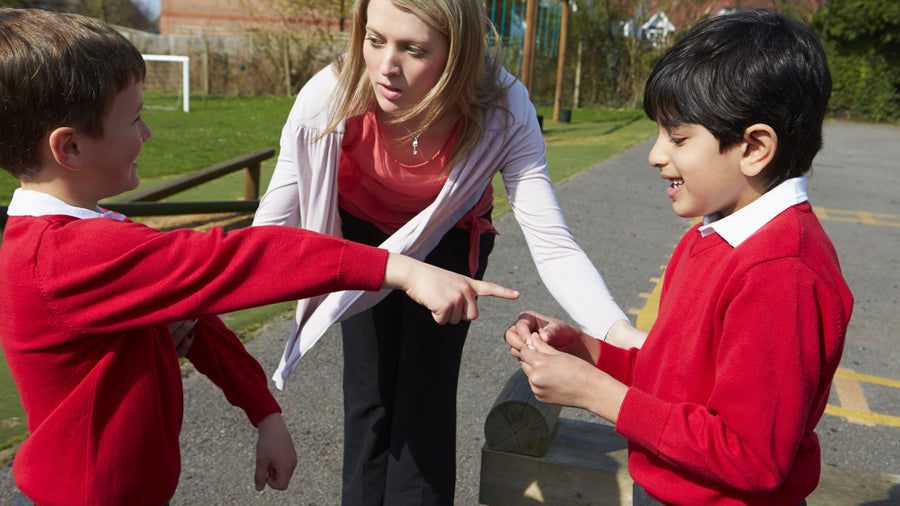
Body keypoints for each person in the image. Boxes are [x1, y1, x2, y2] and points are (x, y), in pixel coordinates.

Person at [0, 9, 518, 506]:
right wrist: (397, 268)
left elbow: (196, 321)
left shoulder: (92, 235)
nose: (147, 134)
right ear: (69, 149)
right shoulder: (64, 257)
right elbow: (235, 261)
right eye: (135, 120)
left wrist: (263, 412)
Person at [251, 0, 643, 503]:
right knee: (369, 399)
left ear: (458, 53)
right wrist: (196, 306)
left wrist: (619, 334)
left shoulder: (504, 107)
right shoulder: (329, 95)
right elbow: (268, 233)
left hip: (448, 239)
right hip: (364, 240)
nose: (386, 66)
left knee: (424, 401)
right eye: (375, 40)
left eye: (413, 49)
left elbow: (553, 244)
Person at [505, 10, 854, 506]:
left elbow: (751, 457)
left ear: (754, 148)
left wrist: (597, 394)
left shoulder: (782, 274)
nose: (655, 154)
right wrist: (590, 355)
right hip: (668, 485)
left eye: (678, 137)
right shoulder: (712, 233)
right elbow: (678, 377)